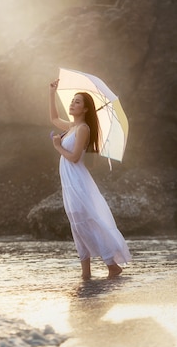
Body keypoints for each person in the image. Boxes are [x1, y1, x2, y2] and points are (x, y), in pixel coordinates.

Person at [48, 78, 131, 280]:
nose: (72, 103)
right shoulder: (71, 126)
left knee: (85, 221)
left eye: (77, 102)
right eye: (73, 101)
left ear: (85, 109)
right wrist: (51, 93)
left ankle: (112, 265)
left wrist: (58, 147)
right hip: (69, 182)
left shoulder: (83, 129)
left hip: (77, 181)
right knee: (76, 223)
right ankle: (86, 272)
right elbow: (53, 118)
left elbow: (75, 158)